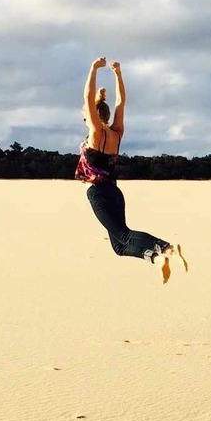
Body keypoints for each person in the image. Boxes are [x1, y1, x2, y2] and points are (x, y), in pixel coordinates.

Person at [75, 57, 186, 283]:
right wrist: (118, 74)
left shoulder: (96, 132)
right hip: (115, 193)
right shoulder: (116, 134)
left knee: (124, 235)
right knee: (118, 245)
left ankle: (167, 248)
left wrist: (93, 68)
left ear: (92, 115)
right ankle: (156, 259)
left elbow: (88, 97)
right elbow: (120, 103)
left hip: (98, 194)